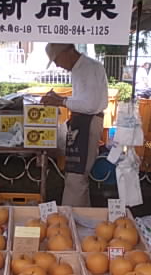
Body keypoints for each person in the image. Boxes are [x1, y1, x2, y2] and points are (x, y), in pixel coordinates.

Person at [40, 43, 108, 207]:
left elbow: (90, 105)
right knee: (75, 176)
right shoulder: (80, 69)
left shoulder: (89, 68)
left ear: (68, 52)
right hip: (81, 123)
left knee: (76, 177)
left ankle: (70, 217)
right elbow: (83, 100)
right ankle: (81, 216)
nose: (57, 65)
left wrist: (61, 101)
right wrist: (60, 99)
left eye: (57, 60)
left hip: (88, 123)